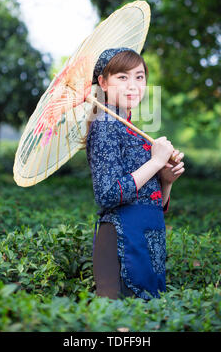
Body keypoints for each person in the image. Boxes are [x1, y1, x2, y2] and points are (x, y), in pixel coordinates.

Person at [82, 47, 185, 300]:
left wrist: (166, 180)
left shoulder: (130, 129)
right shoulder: (104, 126)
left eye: (139, 77)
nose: (133, 85)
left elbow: (152, 203)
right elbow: (107, 194)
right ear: (103, 83)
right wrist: (156, 160)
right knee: (122, 329)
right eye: (122, 77)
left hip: (146, 239)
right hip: (121, 240)